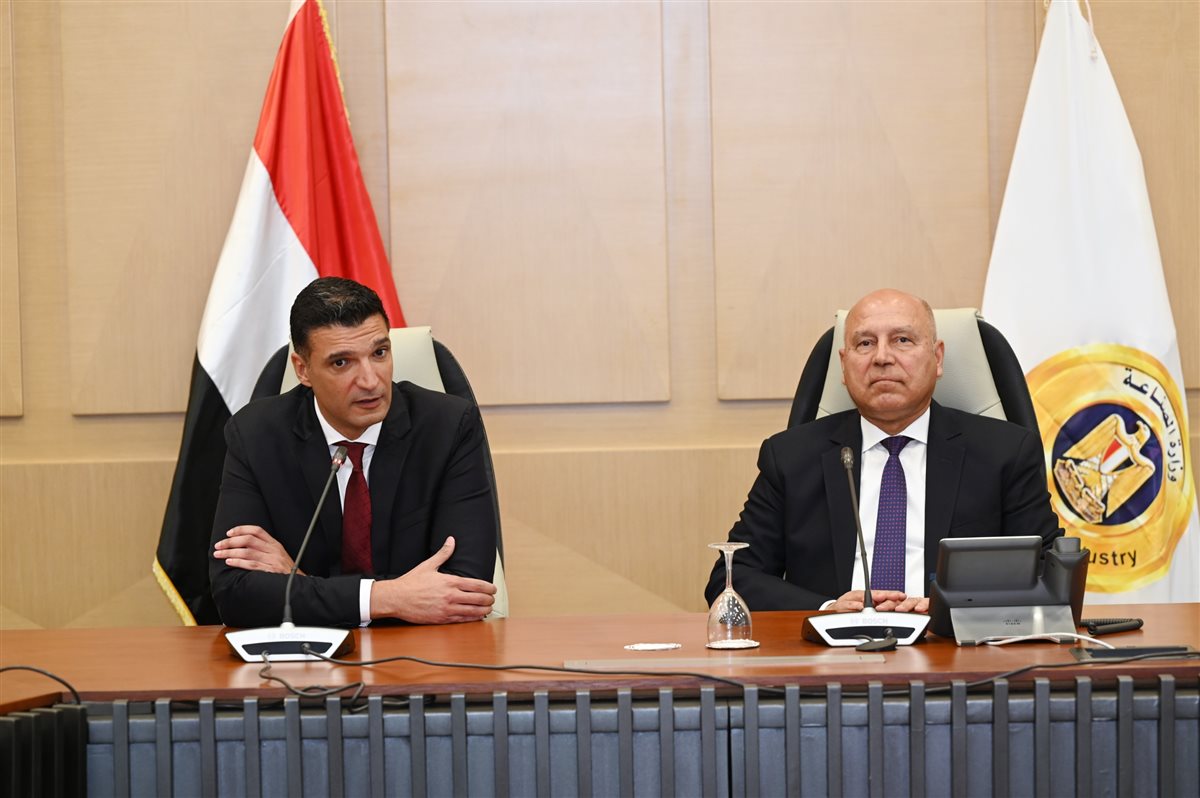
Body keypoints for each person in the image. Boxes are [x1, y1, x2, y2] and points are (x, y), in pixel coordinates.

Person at [704, 289, 1061, 614]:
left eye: (902, 340)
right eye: (865, 344)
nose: (882, 357)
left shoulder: (1005, 453)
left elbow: (1049, 573)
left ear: (937, 358)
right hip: (834, 654)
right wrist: (827, 608)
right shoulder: (790, 457)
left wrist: (949, 607)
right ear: (844, 365)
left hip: (951, 649)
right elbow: (731, 579)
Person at [210, 277, 497, 628]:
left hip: (422, 653)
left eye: (379, 353)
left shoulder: (447, 427)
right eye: (341, 363)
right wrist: (388, 598)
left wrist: (298, 583)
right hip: (304, 655)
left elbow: (466, 590)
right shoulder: (256, 436)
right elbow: (234, 595)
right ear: (303, 370)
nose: (371, 381)